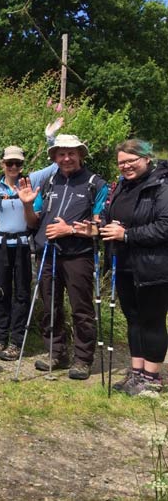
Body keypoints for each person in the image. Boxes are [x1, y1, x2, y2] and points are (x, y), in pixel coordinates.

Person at [18, 134, 108, 380]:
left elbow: (100, 226)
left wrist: (68, 230)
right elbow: (33, 221)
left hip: (79, 255)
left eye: (71, 153)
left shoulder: (95, 184)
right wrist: (26, 204)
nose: (66, 158)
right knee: (50, 306)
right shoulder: (48, 183)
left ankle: (83, 358)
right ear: (55, 157)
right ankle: (56, 352)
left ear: (80, 154)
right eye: (61, 153)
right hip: (48, 253)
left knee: (81, 308)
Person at [99, 139, 168, 396]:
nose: (126, 166)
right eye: (121, 162)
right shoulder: (123, 186)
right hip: (125, 264)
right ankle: (136, 373)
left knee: (152, 321)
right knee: (134, 319)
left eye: (131, 160)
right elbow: (114, 217)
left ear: (146, 158)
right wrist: (104, 223)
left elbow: (165, 226)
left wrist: (126, 235)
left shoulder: (161, 185)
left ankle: (151, 378)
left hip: (154, 267)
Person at [0, 144, 58, 361]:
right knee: (2, 292)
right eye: (9, 163)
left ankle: (16, 342)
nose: (14, 167)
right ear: (2, 164)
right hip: (1, 246)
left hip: (24, 246)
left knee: (22, 294)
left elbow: (55, 166)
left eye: (18, 163)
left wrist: (50, 139)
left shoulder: (30, 181)